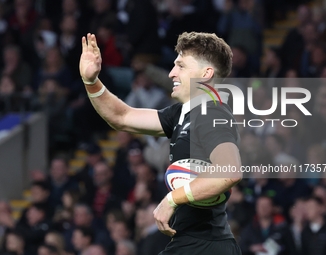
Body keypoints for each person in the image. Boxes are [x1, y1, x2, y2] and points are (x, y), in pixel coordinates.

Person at [79, 32, 242, 254]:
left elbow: (229, 171)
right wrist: (91, 81)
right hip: (193, 243)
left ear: (206, 73)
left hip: (205, 246)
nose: (171, 73)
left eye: (181, 66)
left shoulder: (210, 114)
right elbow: (122, 117)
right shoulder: (181, 114)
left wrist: (171, 199)